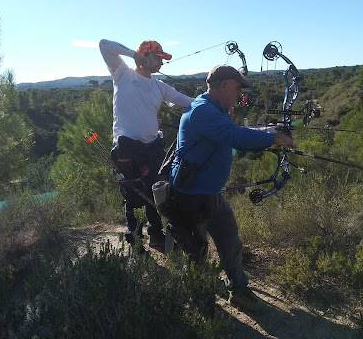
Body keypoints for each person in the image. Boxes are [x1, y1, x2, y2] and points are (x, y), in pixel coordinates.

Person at [168, 65, 294, 310]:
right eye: (237, 88)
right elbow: (236, 137)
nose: (238, 94)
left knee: (230, 241)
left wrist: (268, 131)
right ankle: (202, 304)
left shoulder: (216, 110)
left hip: (210, 195)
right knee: (197, 254)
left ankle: (238, 291)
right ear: (224, 85)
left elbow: (235, 133)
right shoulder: (202, 110)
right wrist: (275, 138)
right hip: (191, 199)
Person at [99, 39, 193, 249]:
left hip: (152, 148)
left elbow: (187, 101)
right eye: (158, 58)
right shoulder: (122, 74)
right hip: (128, 149)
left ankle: (156, 234)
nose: (161, 63)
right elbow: (104, 44)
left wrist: (214, 105)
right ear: (145, 56)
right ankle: (135, 239)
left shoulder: (159, 86)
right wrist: (134, 55)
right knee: (133, 194)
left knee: (157, 191)